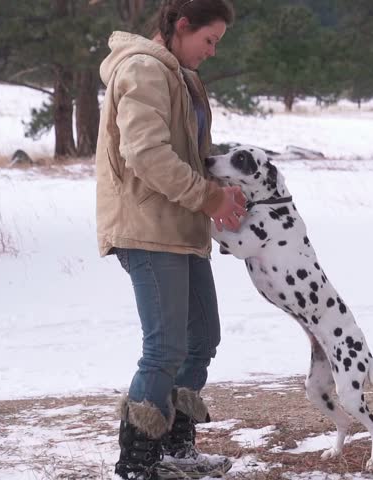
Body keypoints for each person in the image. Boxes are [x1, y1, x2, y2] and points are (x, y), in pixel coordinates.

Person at [94, 1, 244, 478]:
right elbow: (147, 155)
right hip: (148, 228)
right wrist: (207, 198)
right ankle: (137, 462)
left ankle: (176, 449)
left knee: (201, 338)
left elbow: (184, 151)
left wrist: (221, 187)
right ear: (182, 26)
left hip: (181, 228)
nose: (213, 51)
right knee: (164, 348)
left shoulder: (181, 75)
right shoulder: (143, 70)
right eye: (209, 39)